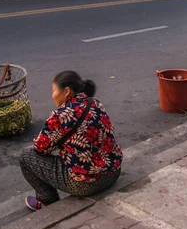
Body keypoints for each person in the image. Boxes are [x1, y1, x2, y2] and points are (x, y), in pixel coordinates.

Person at [19, 71, 123, 211]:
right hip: (113, 173)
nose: (52, 95)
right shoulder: (95, 103)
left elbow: (40, 148)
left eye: (54, 90)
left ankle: (46, 200)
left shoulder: (61, 115)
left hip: (86, 185)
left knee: (26, 157)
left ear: (66, 91)